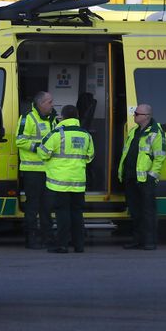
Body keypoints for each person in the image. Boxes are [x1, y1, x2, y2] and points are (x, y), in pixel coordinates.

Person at [37, 104, 95, 253]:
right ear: (76, 117)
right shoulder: (85, 134)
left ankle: (62, 245)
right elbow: (90, 156)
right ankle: (79, 245)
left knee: (63, 214)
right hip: (78, 182)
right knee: (77, 214)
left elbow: (42, 153)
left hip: (59, 183)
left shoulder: (56, 134)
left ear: (62, 117)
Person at [118, 104, 166, 250]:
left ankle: (149, 242)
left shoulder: (156, 133)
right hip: (131, 178)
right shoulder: (133, 131)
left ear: (146, 116)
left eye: (137, 113)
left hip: (146, 180)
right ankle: (137, 240)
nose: (134, 116)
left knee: (148, 212)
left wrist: (151, 177)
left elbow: (160, 157)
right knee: (135, 212)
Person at [16, 91, 57, 249]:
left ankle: (47, 237)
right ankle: (31, 238)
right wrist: (40, 148)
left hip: (48, 170)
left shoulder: (52, 119)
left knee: (47, 206)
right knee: (32, 206)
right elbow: (20, 140)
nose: (52, 105)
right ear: (40, 104)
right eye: (49, 102)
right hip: (32, 171)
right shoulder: (27, 118)